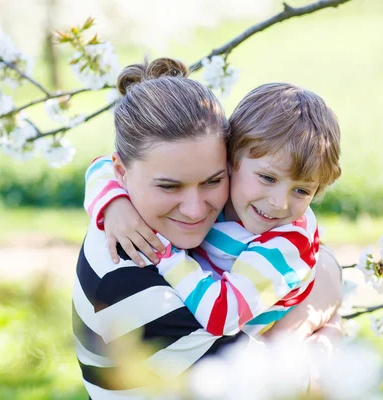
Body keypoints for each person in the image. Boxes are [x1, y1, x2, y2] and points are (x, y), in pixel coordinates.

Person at [73, 57, 342, 400]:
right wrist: (329, 326)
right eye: (169, 186)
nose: (195, 209)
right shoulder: (130, 281)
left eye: (213, 181)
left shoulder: (132, 218)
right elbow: (292, 388)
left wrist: (326, 274)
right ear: (122, 172)